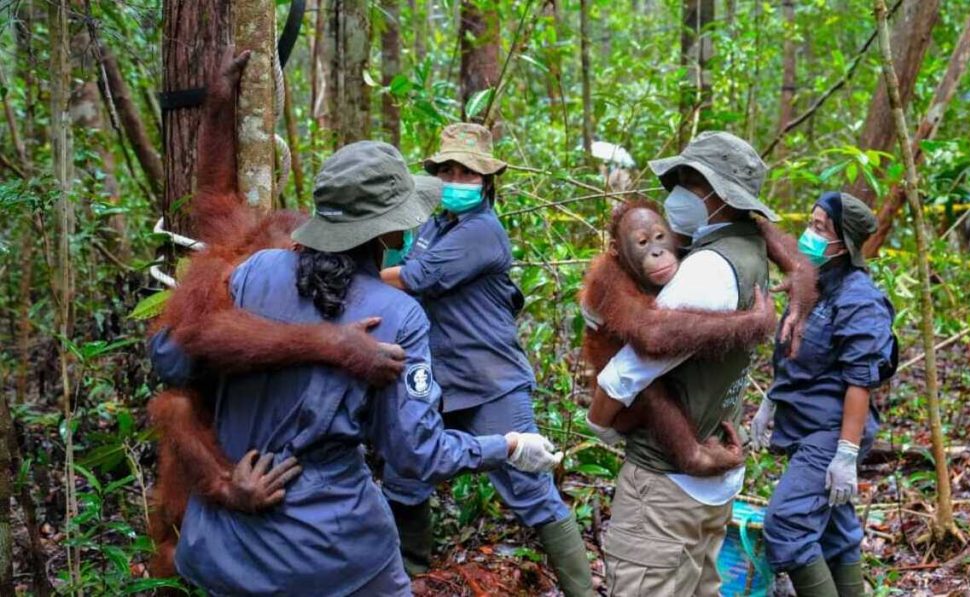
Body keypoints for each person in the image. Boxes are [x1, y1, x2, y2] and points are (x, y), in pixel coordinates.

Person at [148, 141, 562, 596]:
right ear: (390, 231)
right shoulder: (396, 316)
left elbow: (170, 358)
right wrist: (508, 445)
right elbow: (417, 454)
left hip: (223, 552)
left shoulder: (250, 272)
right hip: (333, 551)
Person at [379, 123, 593, 596]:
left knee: (530, 490)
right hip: (435, 376)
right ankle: (412, 576)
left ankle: (582, 591)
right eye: (448, 170)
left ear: (487, 180)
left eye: (467, 172)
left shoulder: (482, 232)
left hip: (490, 378)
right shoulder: (436, 224)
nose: (456, 179)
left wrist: (352, 271)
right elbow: (408, 256)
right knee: (406, 474)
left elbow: (419, 276)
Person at [596, 131, 776, 596]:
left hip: (667, 490)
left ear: (718, 195)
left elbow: (632, 367)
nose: (676, 196)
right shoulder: (751, 247)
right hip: (712, 481)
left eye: (688, 184)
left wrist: (600, 421)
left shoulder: (704, 269)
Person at [750, 192, 898, 597]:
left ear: (844, 244)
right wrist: (771, 401)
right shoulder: (811, 283)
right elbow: (797, 356)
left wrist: (846, 454)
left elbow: (860, 381)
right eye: (810, 223)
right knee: (835, 530)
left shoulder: (859, 299)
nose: (808, 235)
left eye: (820, 229)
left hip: (832, 430)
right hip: (806, 420)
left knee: (788, 524)